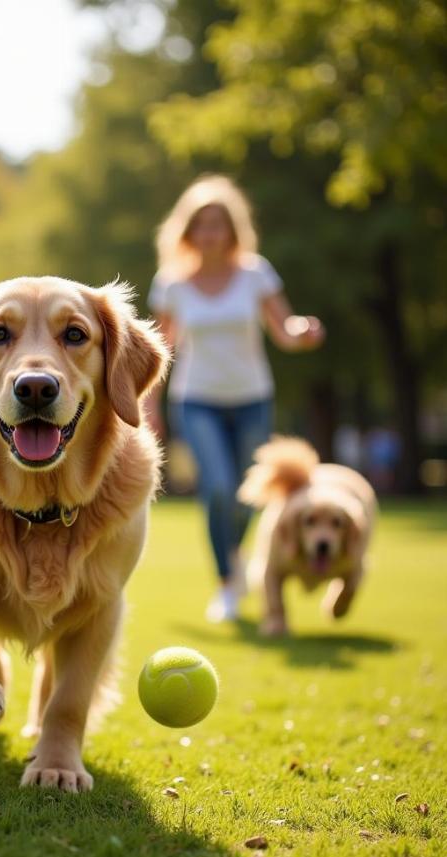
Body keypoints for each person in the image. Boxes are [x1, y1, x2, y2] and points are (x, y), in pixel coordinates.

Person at [147, 174, 324, 623]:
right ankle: (227, 584)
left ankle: (236, 556)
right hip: (196, 398)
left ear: (232, 230)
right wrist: (148, 408)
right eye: (202, 224)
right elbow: (158, 352)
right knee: (219, 487)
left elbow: (284, 330)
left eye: (218, 224)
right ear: (188, 230)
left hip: (251, 397)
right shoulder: (172, 283)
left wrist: (303, 333)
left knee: (249, 495)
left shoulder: (256, 273)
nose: (210, 233)